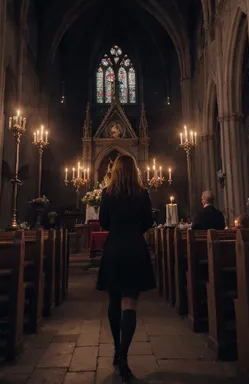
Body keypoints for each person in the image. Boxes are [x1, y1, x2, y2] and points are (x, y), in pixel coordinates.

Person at [97, 155, 155, 382]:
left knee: (114, 300)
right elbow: (149, 221)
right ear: (135, 171)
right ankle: (123, 354)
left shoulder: (107, 194)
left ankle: (117, 351)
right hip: (135, 248)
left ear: (115, 172)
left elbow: (104, 221)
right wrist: (135, 229)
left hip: (114, 248)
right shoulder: (142, 194)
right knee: (130, 302)